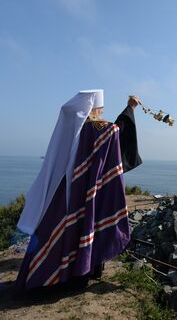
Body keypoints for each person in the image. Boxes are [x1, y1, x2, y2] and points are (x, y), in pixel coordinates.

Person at [16, 90, 142, 291]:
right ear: (96, 108)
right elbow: (117, 130)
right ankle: (84, 271)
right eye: (100, 108)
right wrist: (130, 108)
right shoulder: (101, 128)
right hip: (90, 188)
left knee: (59, 228)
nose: (101, 112)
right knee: (90, 221)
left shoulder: (70, 129)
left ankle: (46, 275)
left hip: (64, 190)